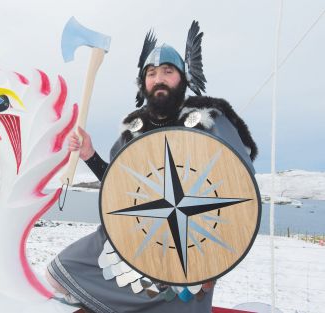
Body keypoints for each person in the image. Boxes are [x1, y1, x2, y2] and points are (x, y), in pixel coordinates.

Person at [46, 21, 258, 313]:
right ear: (143, 82)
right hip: (138, 239)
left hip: (192, 246)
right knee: (61, 273)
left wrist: (215, 258)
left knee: (183, 299)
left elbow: (240, 189)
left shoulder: (210, 121)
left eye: (168, 71)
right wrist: (90, 154)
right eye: (152, 73)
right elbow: (119, 185)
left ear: (182, 77)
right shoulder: (134, 131)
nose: (159, 78)